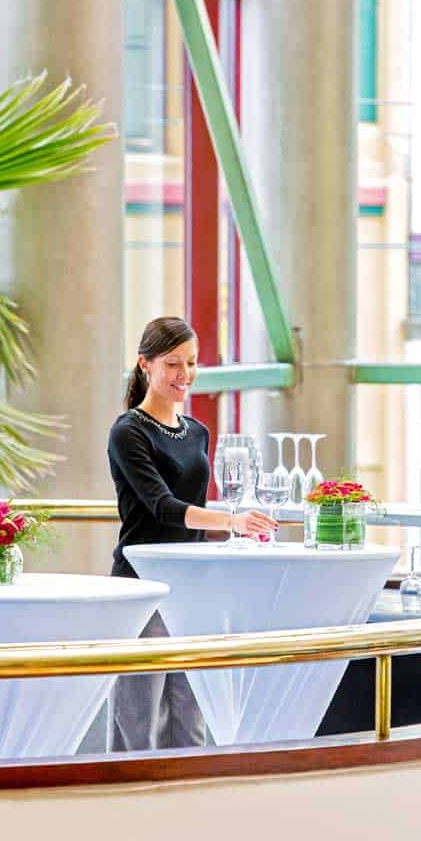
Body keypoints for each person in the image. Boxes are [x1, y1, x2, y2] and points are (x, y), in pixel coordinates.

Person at [108, 316, 277, 751]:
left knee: (191, 705)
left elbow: (192, 507)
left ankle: (187, 787)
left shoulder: (197, 432)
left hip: (193, 583)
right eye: (172, 364)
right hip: (142, 583)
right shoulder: (128, 431)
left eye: (191, 362)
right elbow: (162, 507)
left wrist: (234, 525)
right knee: (138, 709)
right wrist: (232, 522)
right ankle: (131, 787)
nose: (184, 374)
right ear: (145, 364)